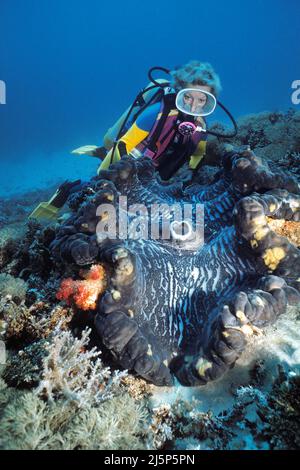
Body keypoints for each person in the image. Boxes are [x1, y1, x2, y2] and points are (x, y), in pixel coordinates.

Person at [73, 60, 222, 181]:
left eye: (201, 100)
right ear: (178, 92)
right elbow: (123, 145)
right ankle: (98, 155)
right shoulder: (155, 114)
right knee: (90, 185)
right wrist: (105, 177)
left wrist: (190, 170)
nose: (193, 106)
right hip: (130, 162)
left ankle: (100, 152)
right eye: (188, 97)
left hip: (154, 172)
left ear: (209, 101)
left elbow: (198, 154)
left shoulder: (201, 127)